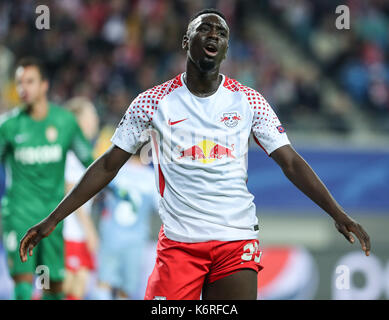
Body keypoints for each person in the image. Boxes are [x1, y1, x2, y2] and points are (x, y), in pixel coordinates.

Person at [19, 9, 371, 300]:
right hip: (179, 247)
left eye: (222, 32)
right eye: (205, 28)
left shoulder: (248, 102)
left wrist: (338, 213)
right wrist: (54, 219)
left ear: (226, 48)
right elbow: (109, 164)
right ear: (187, 41)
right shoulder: (153, 102)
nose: (215, 34)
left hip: (235, 241)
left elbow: (290, 162)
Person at [0, 57, 94, 300]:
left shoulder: (64, 123)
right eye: (19, 82)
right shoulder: (8, 126)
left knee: (53, 287)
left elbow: (92, 165)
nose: (23, 88)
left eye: (30, 81)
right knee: (22, 283)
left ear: (44, 85)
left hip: (52, 218)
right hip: (18, 214)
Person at [93, 150, 158, 300]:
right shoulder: (150, 177)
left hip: (111, 234)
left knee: (103, 283)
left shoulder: (115, 170)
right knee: (126, 291)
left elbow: (96, 196)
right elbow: (162, 209)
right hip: (136, 240)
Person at [62, 97, 100, 300]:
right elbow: (72, 194)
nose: (95, 118)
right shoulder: (70, 152)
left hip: (78, 234)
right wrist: (89, 230)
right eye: (91, 114)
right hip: (68, 233)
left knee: (77, 291)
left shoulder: (85, 152)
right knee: (60, 289)